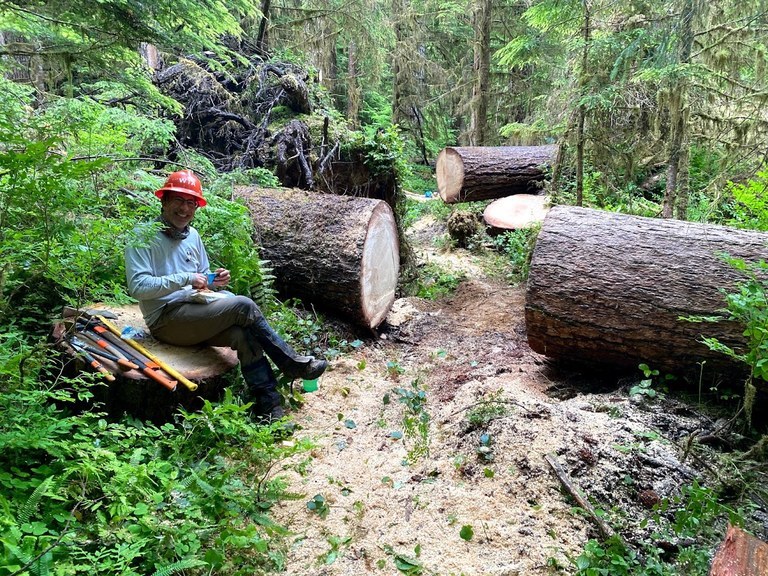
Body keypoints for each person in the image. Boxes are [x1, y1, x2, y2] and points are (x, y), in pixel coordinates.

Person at [124, 169, 327, 421]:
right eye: (178, 200)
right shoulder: (143, 236)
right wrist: (186, 279)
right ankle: (291, 362)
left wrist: (215, 281)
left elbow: (201, 278)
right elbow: (139, 287)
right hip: (165, 319)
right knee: (243, 305)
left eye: (191, 203)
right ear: (164, 200)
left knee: (242, 335)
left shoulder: (193, 236)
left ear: (197, 207)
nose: (184, 209)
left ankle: (269, 406)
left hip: (195, 310)